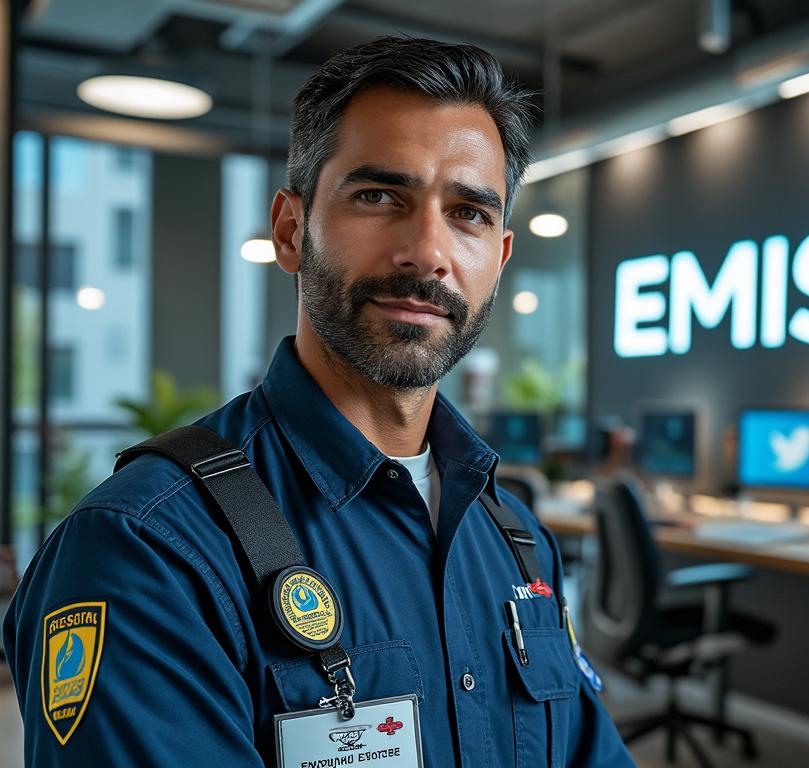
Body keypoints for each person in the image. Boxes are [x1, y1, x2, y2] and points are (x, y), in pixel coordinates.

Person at [3, 37, 633, 767]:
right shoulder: (148, 550)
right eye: (379, 196)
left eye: (468, 213)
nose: (428, 251)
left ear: (499, 257)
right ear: (290, 231)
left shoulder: (518, 540)